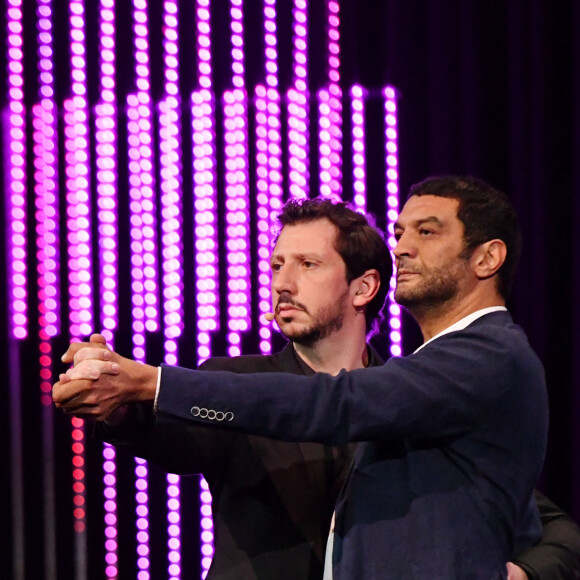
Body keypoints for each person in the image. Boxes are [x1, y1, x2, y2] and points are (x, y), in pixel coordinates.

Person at [54, 187, 580, 578]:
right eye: (278, 265)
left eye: (307, 264)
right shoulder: (236, 385)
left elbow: (545, 521)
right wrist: (119, 397)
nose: (283, 283)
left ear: (363, 286)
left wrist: (524, 573)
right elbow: (166, 432)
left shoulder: (414, 392)